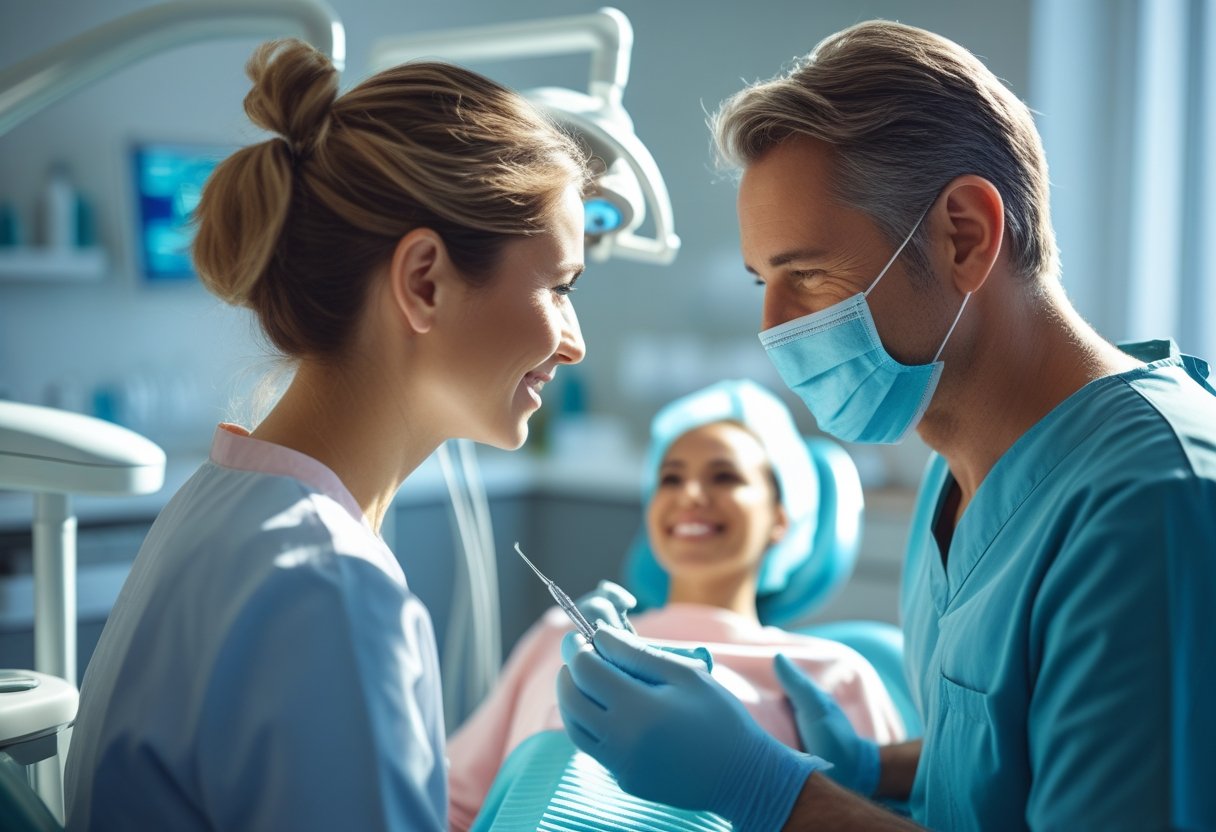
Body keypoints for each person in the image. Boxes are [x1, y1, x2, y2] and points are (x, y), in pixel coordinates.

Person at [556, 19, 1216, 832]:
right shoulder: (961, 462)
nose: (774, 327)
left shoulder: (1150, 507)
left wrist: (773, 791)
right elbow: (1014, 757)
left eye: (807, 275)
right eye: (763, 280)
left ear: (965, 236)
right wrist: (876, 768)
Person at [63, 38, 591, 830]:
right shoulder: (330, 589)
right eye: (557, 287)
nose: (575, 341)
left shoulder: (220, 503)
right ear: (424, 282)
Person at [446, 379, 905, 829]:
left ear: (781, 517)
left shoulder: (831, 674)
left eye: (724, 476)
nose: (689, 495)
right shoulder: (561, 633)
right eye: (670, 478)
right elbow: (453, 804)